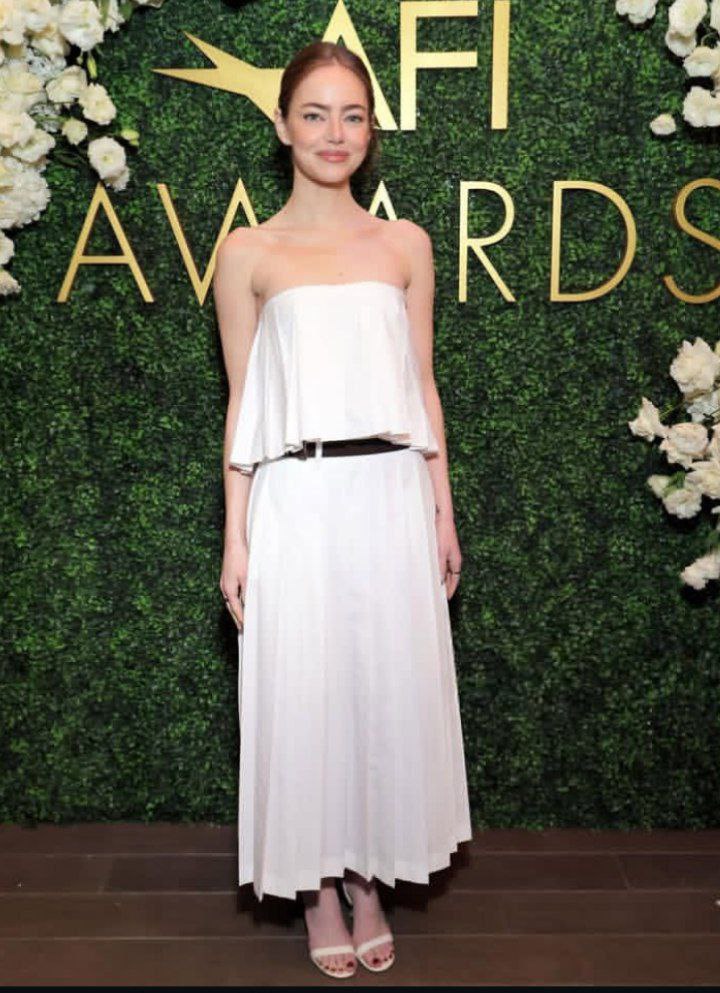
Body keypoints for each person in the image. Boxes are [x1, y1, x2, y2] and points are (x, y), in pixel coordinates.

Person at [213, 40, 472, 981]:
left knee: (381, 686)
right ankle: (318, 888)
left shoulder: (405, 246)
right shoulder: (247, 252)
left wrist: (441, 509)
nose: (334, 133)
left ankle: (368, 879)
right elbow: (242, 401)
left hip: (390, 492)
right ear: (282, 125)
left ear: (371, 131)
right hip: (297, 496)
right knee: (306, 690)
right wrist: (235, 534)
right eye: (315, 114)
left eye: (352, 115)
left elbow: (423, 385)